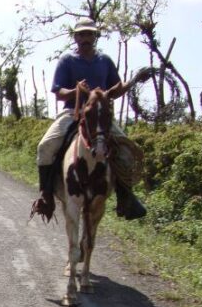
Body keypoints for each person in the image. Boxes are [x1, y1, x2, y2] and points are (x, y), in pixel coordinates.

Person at [31, 17, 154, 222]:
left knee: (126, 151)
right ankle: (46, 194)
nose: (85, 38)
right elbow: (58, 92)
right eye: (82, 34)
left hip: (100, 115)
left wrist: (134, 80)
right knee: (45, 146)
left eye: (89, 34)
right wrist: (75, 90)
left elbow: (115, 89)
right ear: (75, 37)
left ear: (94, 37)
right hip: (73, 112)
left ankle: (126, 197)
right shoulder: (67, 61)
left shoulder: (104, 61)